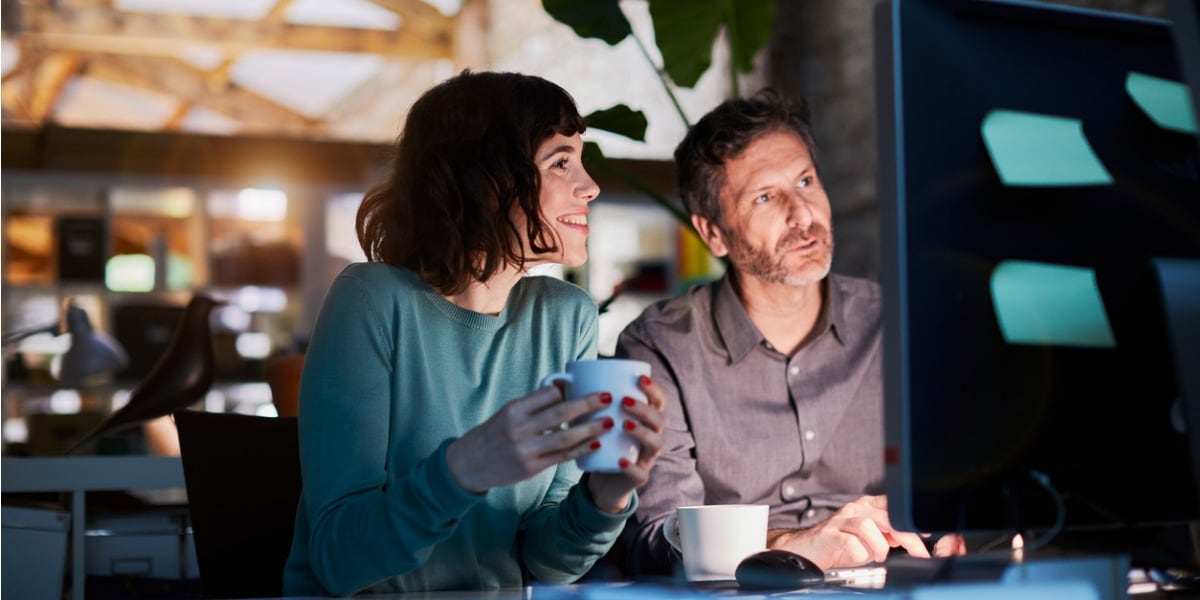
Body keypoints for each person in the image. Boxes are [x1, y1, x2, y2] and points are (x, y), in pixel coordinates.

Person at [282, 71, 668, 595]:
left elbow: (548, 562)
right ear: (488, 181)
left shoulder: (566, 316)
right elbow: (338, 558)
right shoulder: (372, 299)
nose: (591, 186)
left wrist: (606, 497)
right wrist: (463, 469)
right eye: (561, 162)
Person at [613, 89, 963, 577]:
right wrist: (797, 545)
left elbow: (963, 485)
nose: (803, 215)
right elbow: (654, 539)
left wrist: (960, 527)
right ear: (712, 232)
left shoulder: (898, 323)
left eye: (805, 181)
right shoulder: (660, 348)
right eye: (765, 197)